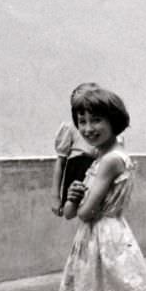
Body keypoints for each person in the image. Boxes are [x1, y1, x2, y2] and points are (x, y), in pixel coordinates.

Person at [54, 87, 146, 291]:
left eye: (96, 120)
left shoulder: (109, 161)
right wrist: (74, 196)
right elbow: (69, 212)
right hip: (100, 240)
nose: (88, 128)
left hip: (100, 243)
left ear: (114, 120)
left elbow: (85, 213)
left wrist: (78, 199)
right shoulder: (103, 157)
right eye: (82, 121)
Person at [51, 82, 100, 216]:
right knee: (75, 211)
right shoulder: (71, 128)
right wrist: (55, 196)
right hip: (77, 170)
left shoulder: (104, 130)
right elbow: (60, 162)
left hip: (96, 170)